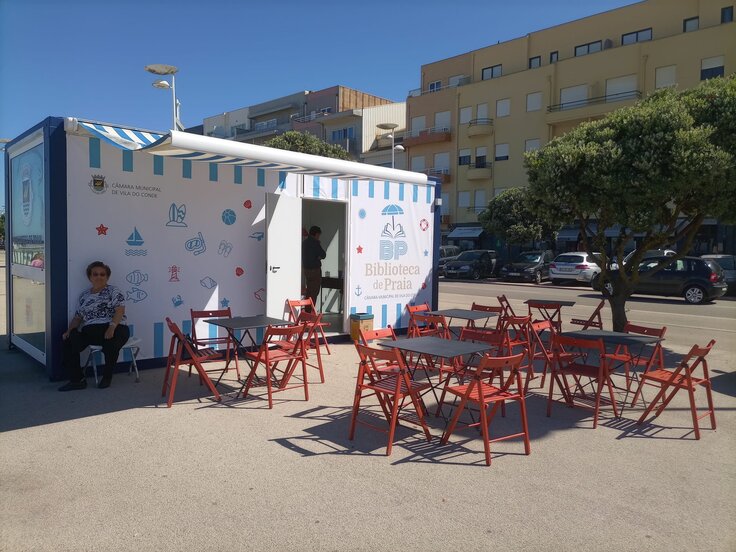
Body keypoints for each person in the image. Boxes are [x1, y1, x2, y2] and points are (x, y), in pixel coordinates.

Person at [58, 261, 130, 391]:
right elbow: (77, 318)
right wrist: (69, 330)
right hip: (92, 331)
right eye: (95, 274)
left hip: (115, 328)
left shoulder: (113, 291)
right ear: (90, 277)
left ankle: (107, 377)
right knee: (69, 340)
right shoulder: (84, 296)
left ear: (107, 277)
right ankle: (77, 380)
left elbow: (120, 310)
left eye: (102, 274)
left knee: (111, 344)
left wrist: (112, 327)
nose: (99, 277)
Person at [301, 225, 326, 312]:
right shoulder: (315, 243)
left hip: (306, 270)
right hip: (315, 270)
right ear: (316, 234)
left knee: (309, 291)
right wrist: (318, 257)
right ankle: (311, 312)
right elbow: (323, 255)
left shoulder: (304, 243)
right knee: (314, 291)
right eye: (319, 235)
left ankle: (307, 311)